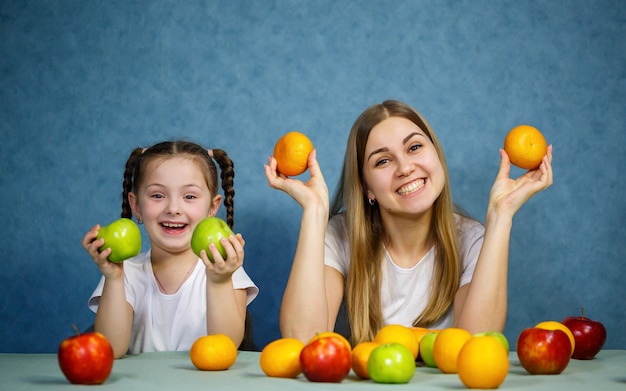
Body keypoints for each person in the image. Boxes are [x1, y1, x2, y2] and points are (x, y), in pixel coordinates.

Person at [265, 100, 553, 345]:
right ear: (367, 188)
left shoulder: (471, 239)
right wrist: (315, 211)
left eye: (414, 147)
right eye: (382, 161)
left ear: (436, 155)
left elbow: (476, 346)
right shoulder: (340, 236)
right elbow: (302, 341)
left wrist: (501, 216)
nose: (405, 168)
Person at [83, 140, 258, 358]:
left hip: (206, 390)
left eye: (189, 196)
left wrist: (219, 281)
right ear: (136, 205)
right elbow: (110, 349)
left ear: (213, 207)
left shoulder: (224, 268)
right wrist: (113, 278)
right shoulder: (125, 271)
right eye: (157, 195)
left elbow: (226, 344)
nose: (173, 208)